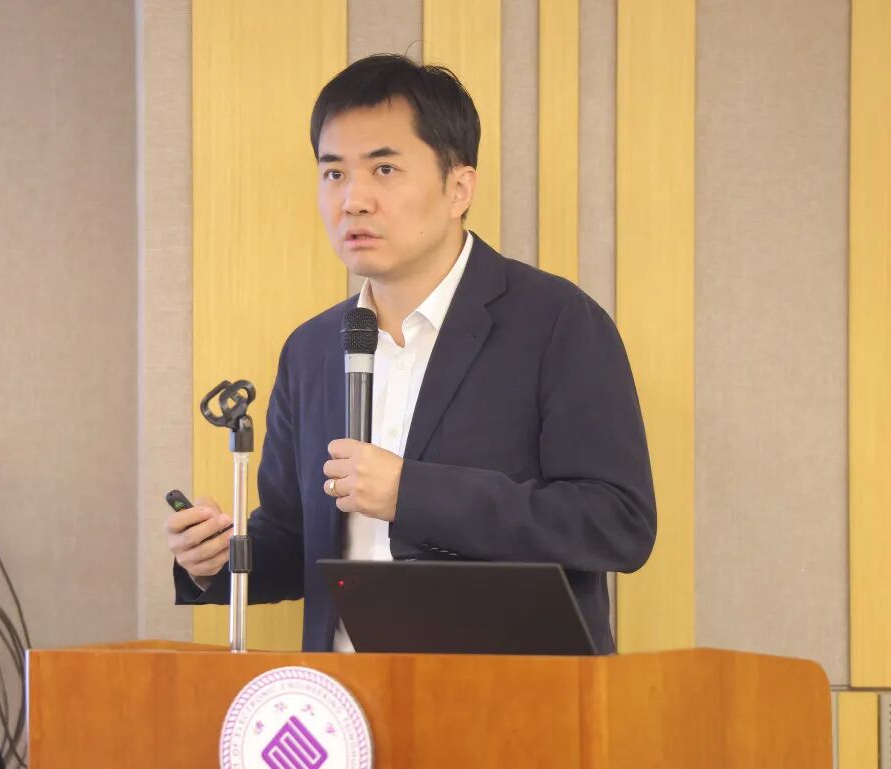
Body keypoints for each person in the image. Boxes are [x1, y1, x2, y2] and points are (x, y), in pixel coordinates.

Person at [166, 54, 655, 654]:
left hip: (509, 698)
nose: (353, 200)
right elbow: (296, 540)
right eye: (334, 173)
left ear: (458, 188)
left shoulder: (556, 322)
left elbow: (617, 524)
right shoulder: (312, 350)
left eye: (385, 169)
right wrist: (219, 558)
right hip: (345, 698)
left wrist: (413, 494)